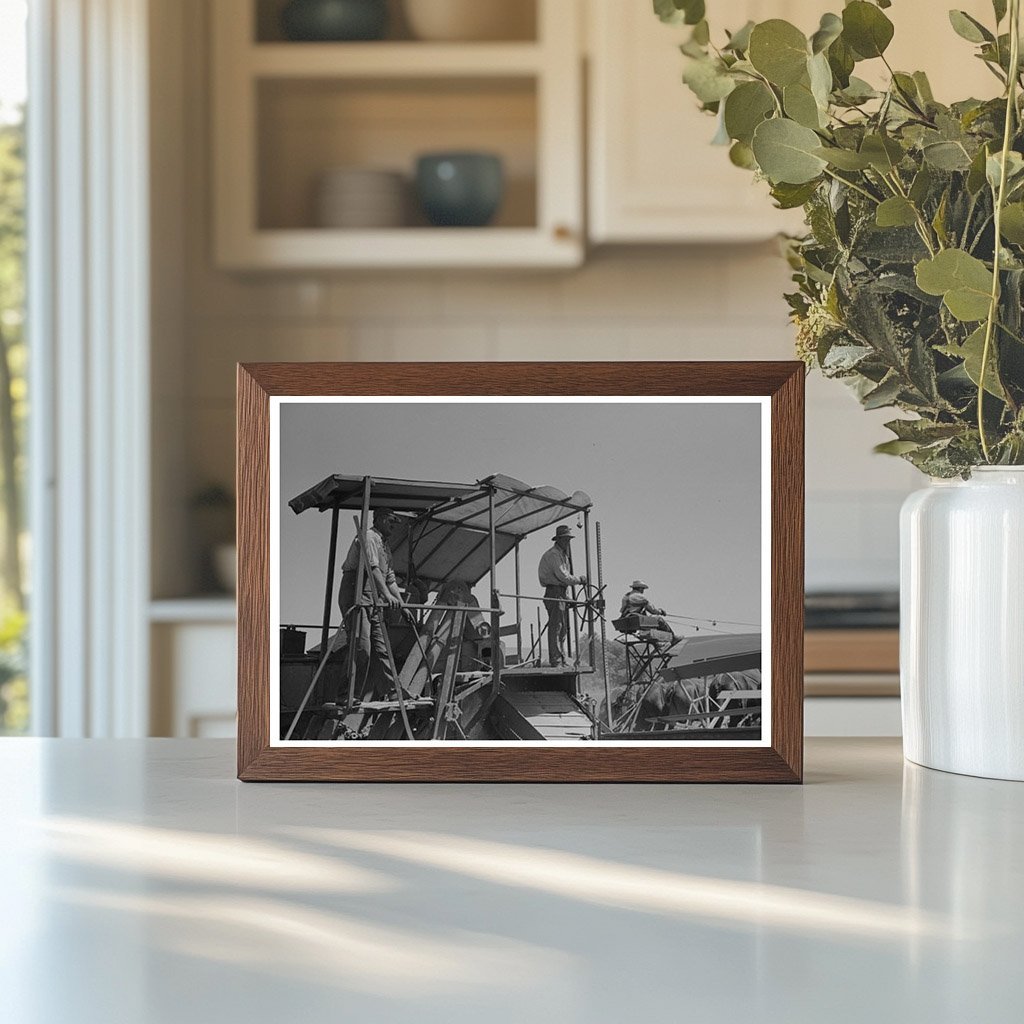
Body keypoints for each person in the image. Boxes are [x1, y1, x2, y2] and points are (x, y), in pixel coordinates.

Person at [337, 507, 405, 700]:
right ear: (382, 519)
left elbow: (389, 577)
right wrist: (387, 596)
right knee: (361, 647)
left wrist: (402, 604)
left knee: (382, 648)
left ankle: (393, 693)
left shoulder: (385, 545)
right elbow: (373, 569)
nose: (393, 526)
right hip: (355, 592)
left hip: (374, 597)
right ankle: (346, 695)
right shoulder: (368, 537)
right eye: (391, 521)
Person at [538, 524, 586, 667]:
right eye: (565, 539)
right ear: (558, 539)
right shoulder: (554, 554)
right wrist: (579, 580)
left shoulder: (562, 555)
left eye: (568, 539)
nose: (567, 542)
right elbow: (563, 576)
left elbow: (563, 580)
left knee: (562, 627)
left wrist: (567, 597)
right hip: (554, 592)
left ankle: (561, 657)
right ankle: (556, 659)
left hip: (560, 592)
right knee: (557, 626)